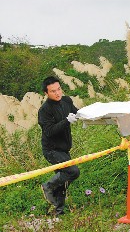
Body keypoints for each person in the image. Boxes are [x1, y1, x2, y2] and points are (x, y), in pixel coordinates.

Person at [38, 76, 80, 215]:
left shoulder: (67, 101)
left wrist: (91, 116)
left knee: (63, 181)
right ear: (46, 93)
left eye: (59, 89)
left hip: (64, 148)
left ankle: (57, 211)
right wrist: (67, 121)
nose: (57, 93)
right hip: (51, 150)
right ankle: (47, 186)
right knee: (72, 171)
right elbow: (49, 131)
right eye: (53, 91)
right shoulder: (44, 110)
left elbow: (77, 112)